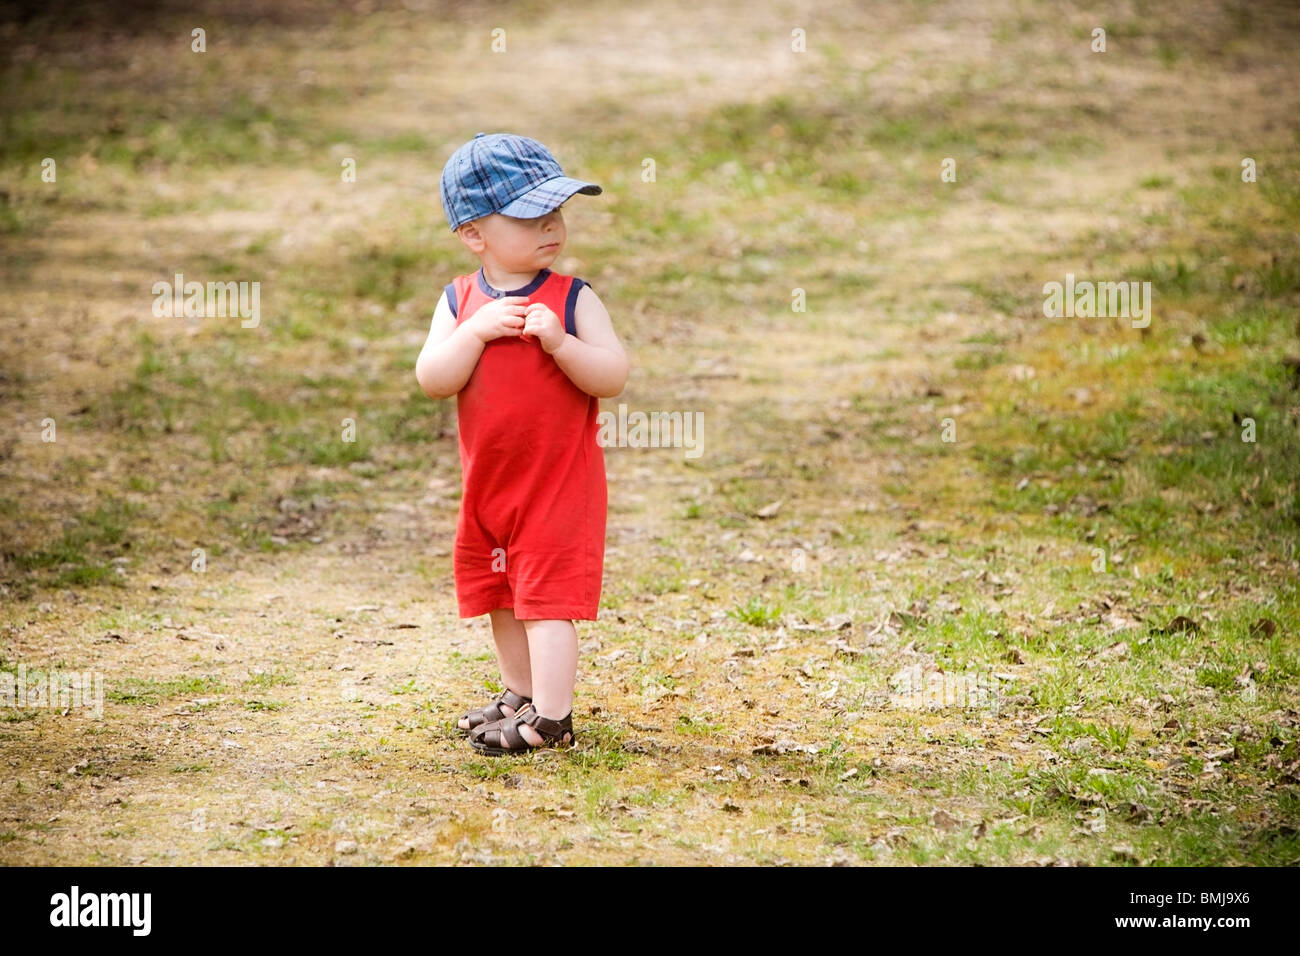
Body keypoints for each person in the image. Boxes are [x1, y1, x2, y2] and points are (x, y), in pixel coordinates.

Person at [415, 132, 629, 755]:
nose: (551, 228)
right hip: (490, 484)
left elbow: (612, 376)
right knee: (502, 593)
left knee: (545, 597)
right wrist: (474, 333)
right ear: (474, 234)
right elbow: (433, 378)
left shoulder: (571, 298)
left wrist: (562, 344)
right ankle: (522, 692)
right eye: (531, 217)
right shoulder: (459, 302)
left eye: (556, 213)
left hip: (558, 483)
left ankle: (553, 718)